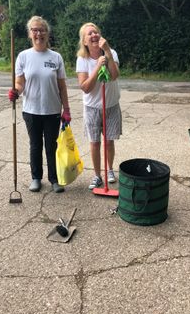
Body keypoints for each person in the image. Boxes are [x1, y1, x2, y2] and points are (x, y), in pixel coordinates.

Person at [8, 16, 71, 193]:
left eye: (42, 30)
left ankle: (54, 179)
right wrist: (16, 92)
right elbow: (20, 83)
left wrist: (66, 109)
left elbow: (62, 86)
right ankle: (36, 178)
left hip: (52, 110)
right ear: (30, 34)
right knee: (35, 145)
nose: (39, 33)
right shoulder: (23, 56)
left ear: (47, 33)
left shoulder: (56, 57)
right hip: (31, 110)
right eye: (35, 30)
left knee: (52, 146)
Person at [76, 22, 122, 190]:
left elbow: (115, 75)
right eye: (90, 34)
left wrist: (108, 52)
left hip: (111, 105)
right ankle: (97, 175)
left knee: (109, 141)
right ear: (85, 41)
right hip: (92, 107)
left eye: (96, 32)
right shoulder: (82, 59)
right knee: (94, 142)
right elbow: (85, 87)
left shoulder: (111, 52)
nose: (94, 35)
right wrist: (97, 67)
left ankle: (109, 170)